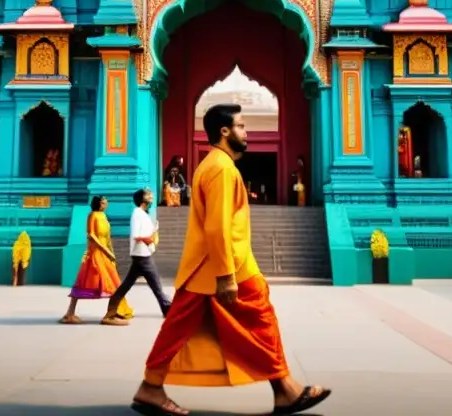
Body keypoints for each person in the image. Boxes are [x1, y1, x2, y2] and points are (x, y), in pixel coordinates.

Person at [130, 103, 330, 416]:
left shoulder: (212, 165)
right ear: (224, 132)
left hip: (205, 266)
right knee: (261, 321)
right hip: (226, 265)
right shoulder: (222, 168)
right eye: (241, 126)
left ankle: (151, 387)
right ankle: (285, 390)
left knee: (178, 327)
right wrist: (226, 274)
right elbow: (218, 224)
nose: (246, 132)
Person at [104, 188, 171, 326]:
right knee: (155, 284)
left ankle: (111, 312)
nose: (151, 196)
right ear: (142, 199)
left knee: (132, 284)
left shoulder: (142, 214)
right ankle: (167, 309)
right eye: (148, 195)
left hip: (142, 254)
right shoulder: (137, 214)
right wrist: (147, 240)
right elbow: (136, 235)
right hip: (141, 255)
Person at [61, 196, 133, 324]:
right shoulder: (92, 216)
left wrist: (111, 252)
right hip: (95, 254)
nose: (107, 204)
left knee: (114, 283)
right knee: (84, 283)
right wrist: (107, 251)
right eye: (104, 202)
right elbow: (92, 236)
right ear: (99, 204)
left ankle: (113, 312)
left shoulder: (104, 216)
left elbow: (107, 237)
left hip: (105, 254)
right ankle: (70, 314)